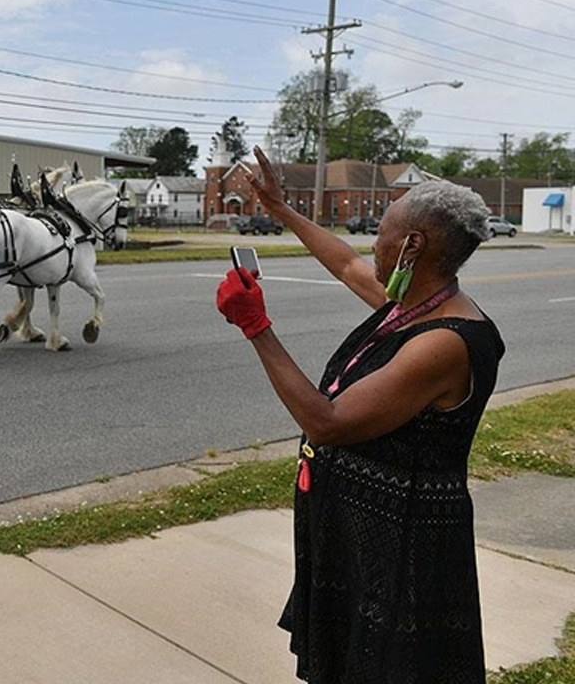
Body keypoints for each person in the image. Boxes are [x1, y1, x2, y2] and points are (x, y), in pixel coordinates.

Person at [216, 146, 504, 684]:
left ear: (411, 246)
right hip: (362, 531)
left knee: (390, 668)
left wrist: (255, 325)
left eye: (383, 236)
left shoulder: (447, 340)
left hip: (404, 549)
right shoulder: (413, 306)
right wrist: (280, 209)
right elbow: (346, 264)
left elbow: (328, 421)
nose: (373, 247)